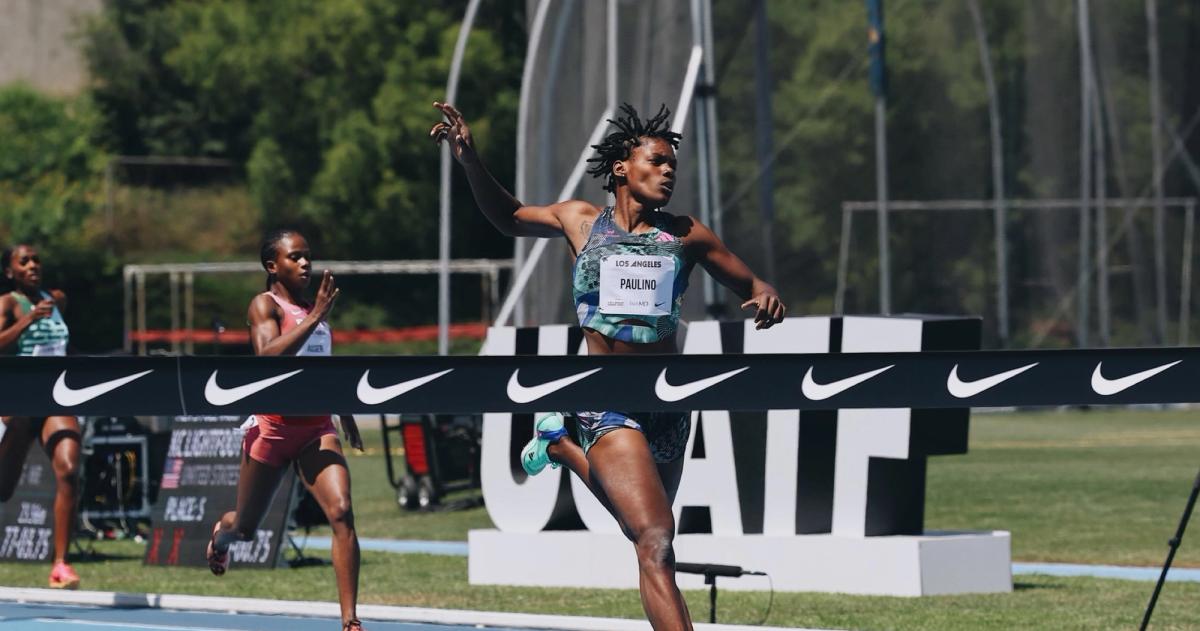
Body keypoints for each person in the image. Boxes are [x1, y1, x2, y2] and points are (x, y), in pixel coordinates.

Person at [432, 101, 785, 630]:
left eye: (673, 166)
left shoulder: (687, 235)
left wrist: (766, 296)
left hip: (668, 403)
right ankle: (567, 440)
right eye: (656, 161)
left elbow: (751, 284)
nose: (668, 172)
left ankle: (559, 445)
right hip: (606, 397)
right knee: (656, 541)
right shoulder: (580, 222)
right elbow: (508, 218)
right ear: (622, 167)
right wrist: (470, 162)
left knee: (644, 538)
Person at [206, 229, 367, 631]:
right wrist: (315, 318)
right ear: (272, 265)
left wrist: (345, 410)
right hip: (272, 429)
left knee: (342, 512)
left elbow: (323, 365)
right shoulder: (266, 305)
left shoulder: (317, 309)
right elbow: (267, 358)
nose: (305, 263)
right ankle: (220, 537)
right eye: (295, 257)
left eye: (308, 256)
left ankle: (350, 621)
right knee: (245, 529)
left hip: (317, 428)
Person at [0, 244, 82, 589]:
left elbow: (61, 343)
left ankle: (60, 564)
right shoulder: (6, 304)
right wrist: (28, 319)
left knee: (69, 469)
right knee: (3, 490)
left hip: (54, 398)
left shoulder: (57, 299)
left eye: (36, 260)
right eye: (24, 262)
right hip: (15, 403)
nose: (33, 265)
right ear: (10, 272)